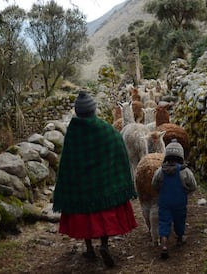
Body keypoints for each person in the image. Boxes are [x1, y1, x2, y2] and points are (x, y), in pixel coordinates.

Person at [53, 91, 138, 267]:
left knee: (85, 216)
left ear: (78, 112)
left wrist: (67, 185)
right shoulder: (106, 129)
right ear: (93, 110)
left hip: (83, 188)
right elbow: (119, 150)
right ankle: (104, 245)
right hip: (104, 185)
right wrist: (118, 177)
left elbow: (67, 163)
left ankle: (89, 248)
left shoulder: (73, 133)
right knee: (103, 214)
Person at [151, 139, 197, 259]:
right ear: (180, 155)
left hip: (164, 202)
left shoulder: (160, 171)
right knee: (179, 220)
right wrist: (186, 191)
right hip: (179, 202)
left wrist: (160, 190)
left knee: (164, 222)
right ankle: (180, 238)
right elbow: (193, 186)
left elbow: (154, 184)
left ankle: (164, 244)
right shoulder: (185, 171)